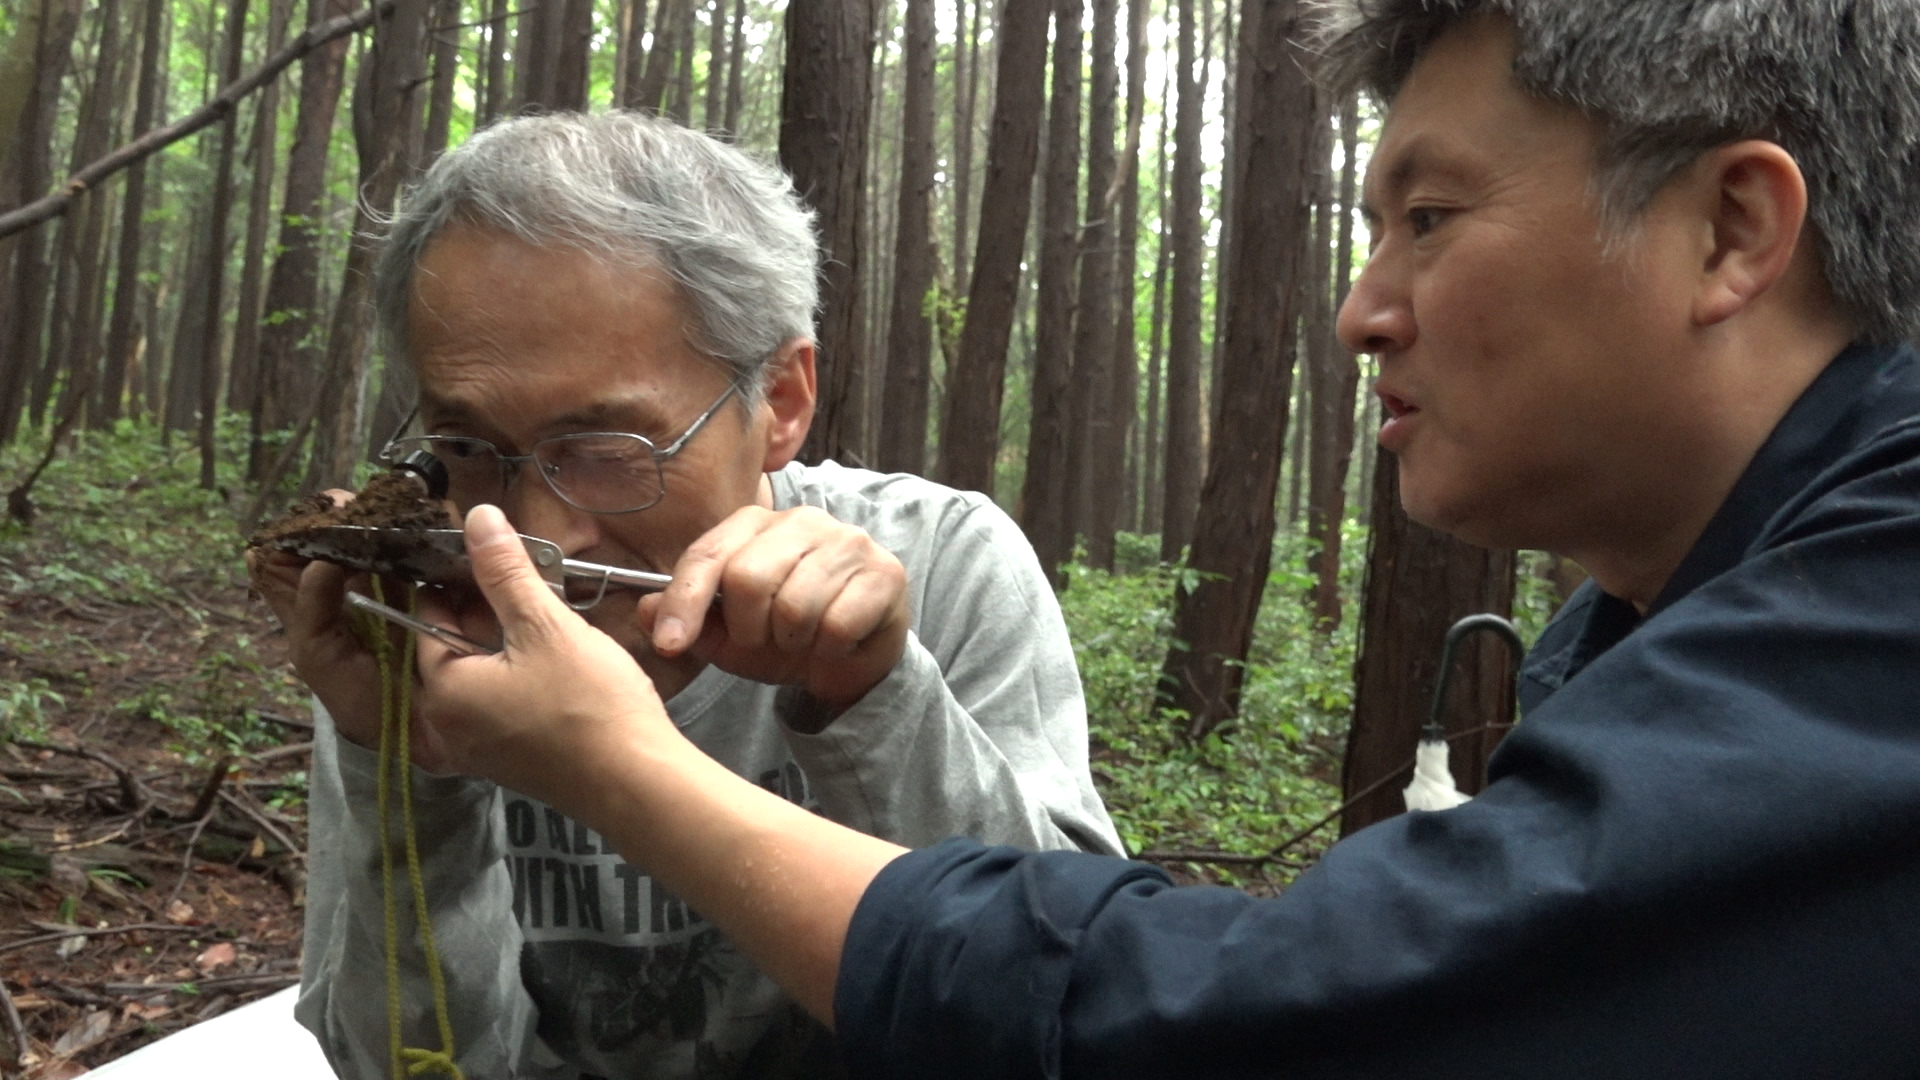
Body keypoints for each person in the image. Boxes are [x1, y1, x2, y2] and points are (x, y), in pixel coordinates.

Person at [401, 0, 1920, 1075]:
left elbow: (1265, 1028)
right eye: (473, 447)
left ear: (1731, 231)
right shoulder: (1645, 628)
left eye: (1433, 217)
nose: (1359, 309)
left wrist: (626, 762)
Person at [246, 112, 1122, 1080]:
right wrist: (410, 770)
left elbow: (1083, 1015)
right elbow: (410, 1065)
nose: (530, 535)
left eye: (609, 452)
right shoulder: (425, 616)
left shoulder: (945, 567)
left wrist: (875, 702)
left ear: (781, 401)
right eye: (468, 450)